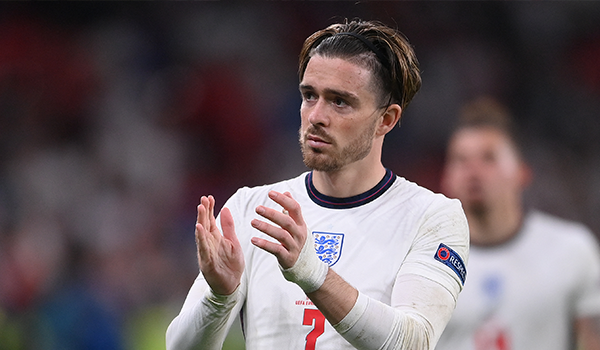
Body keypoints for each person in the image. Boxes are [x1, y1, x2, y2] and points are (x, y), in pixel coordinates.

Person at [166, 20, 469, 350]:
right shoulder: (251, 210)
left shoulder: (431, 217)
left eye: (340, 101)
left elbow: (413, 342)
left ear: (386, 119)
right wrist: (219, 298)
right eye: (309, 96)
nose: (317, 116)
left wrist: (313, 273)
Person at [436, 96, 600, 350]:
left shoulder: (572, 250)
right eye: (461, 160)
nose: (473, 171)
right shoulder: (422, 260)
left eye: (489, 158)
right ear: (446, 178)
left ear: (522, 172)